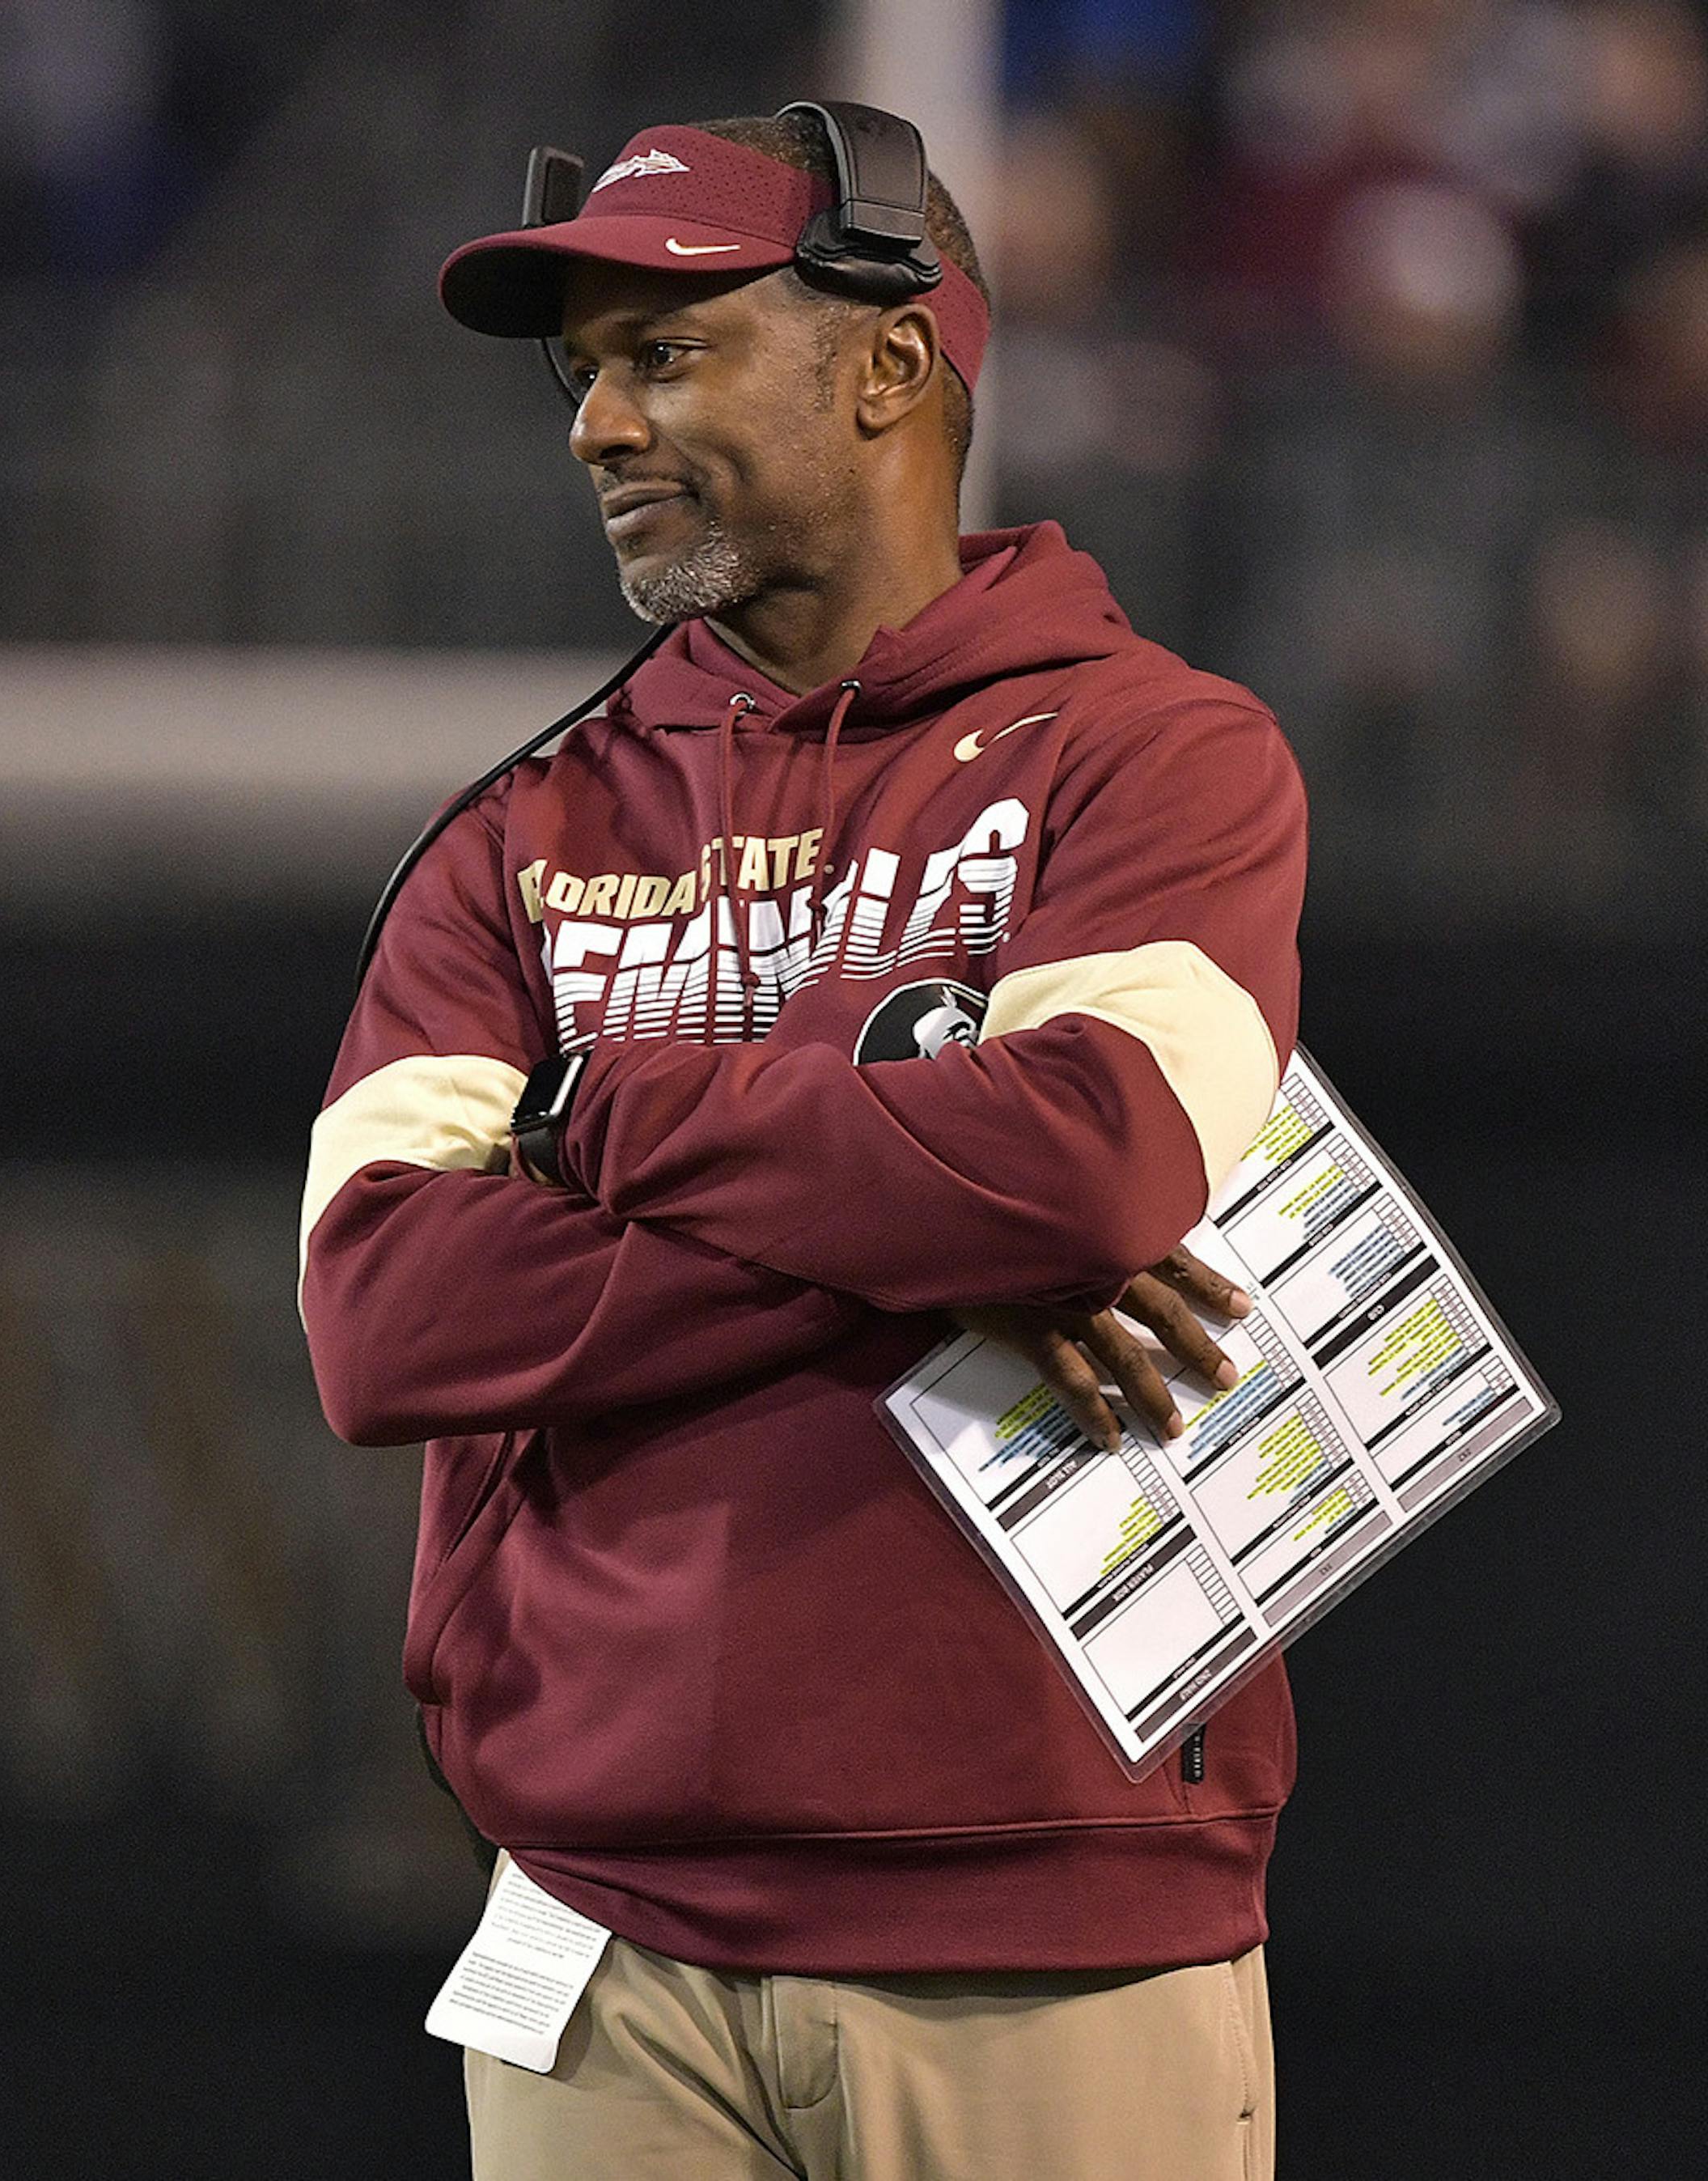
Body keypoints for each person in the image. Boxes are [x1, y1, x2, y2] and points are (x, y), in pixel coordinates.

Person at [300, 105, 1306, 2181]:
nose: (595, 426)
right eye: (583, 371)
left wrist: (608, 1107)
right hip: (594, 1933)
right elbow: (383, 1321)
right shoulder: (517, 831)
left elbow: (1090, 1170)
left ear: (889, 362)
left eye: (662, 355)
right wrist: (909, 1174)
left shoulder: (1154, 754)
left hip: (1048, 1936)